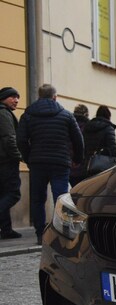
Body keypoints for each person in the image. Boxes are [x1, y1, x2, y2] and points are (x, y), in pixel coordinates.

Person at [16, 84, 84, 245]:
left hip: (38, 162)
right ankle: (63, 233)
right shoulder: (66, 115)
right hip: (60, 161)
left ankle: (40, 234)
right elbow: (78, 140)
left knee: (38, 199)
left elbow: (21, 140)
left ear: (39, 96)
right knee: (61, 198)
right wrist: (77, 159)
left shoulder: (28, 115)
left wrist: (28, 157)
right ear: (55, 97)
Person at [0, 87, 22, 240]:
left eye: (17, 97)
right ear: (3, 98)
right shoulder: (3, 113)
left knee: (3, 193)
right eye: (13, 97)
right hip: (7, 161)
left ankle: (6, 229)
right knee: (13, 193)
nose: (16, 100)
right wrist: (19, 155)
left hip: (3, 160)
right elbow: (9, 138)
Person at [77, 105, 116, 182]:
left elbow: (83, 144)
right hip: (102, 165)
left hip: (87, 164)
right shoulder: (108, 128)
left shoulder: (88, 127)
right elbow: (113, 147)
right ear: (108, 116)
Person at [69, 104, 90, 187]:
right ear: (86, 114)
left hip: (69, 163)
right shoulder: (89, 126)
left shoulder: (68, 124)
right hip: (84, 164)